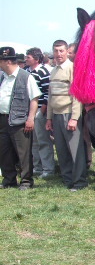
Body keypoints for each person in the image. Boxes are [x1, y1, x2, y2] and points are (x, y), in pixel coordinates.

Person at [45, 40, 88, 191]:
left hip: (69, 114)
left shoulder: (72, 68)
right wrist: (49, 118)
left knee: (75, 150)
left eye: (61, 51)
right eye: (56, 51)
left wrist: (74, 118)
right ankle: (68, 179)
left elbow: (77, 95)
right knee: (62, 150)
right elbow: (50, 96)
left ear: (66, 52)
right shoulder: (54, 70)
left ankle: (79, 182)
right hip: (56, 115)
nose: (58, 54)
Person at [0, 46, 42, 189]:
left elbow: (34, 99)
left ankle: (26, 181)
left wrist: (30, 118)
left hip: (19, 121)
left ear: (7, 62)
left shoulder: (26, 76)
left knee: (23, 153)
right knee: (4, 152)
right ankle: (9, 180)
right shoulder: (1, 77)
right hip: (2, 119)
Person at [24, 47, 55, 178]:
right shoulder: (25, 72)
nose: (26, 59)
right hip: (29, 111)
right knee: (33, 142)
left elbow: (47, 93)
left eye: (28, 57)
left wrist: (41, 112)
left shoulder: (43, 72)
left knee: (43, 141)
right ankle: (37, 167)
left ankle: (48, 169)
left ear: (36, 59)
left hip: (39, 111)